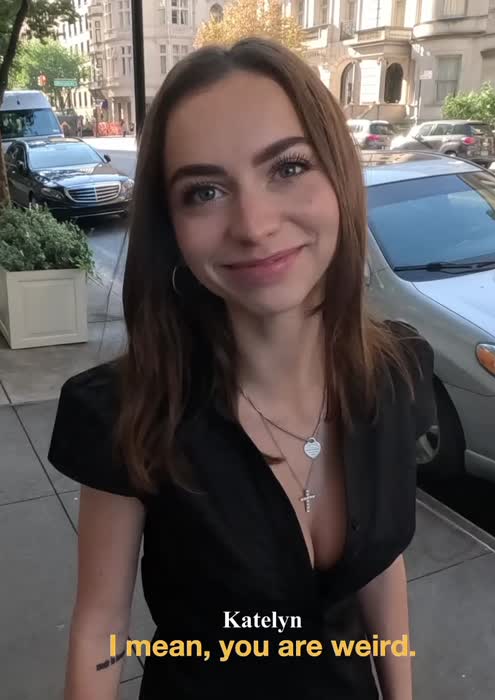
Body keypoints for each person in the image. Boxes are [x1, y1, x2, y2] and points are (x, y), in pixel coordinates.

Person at [48, 37, 436, 700]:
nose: (253, 225)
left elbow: (378, 562)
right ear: (172, 228)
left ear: (339, 178)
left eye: (287, 167)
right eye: (203, 191)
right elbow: (101, 630)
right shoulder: (129, 411)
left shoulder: (395, 374)